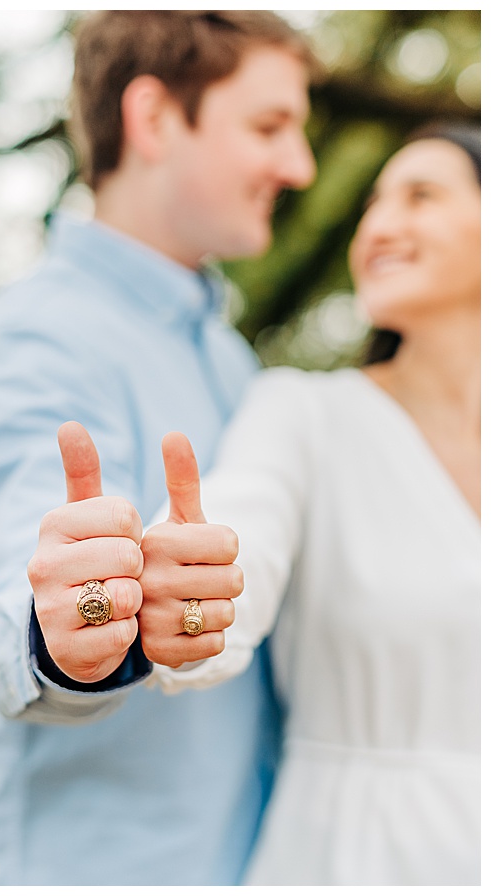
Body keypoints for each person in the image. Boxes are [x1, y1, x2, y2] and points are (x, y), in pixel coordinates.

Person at [0, 11, 316, 885]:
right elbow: (16, 590)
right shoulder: (32, 339)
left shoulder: (229, 356)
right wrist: (64, 640)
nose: (300, 166)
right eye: (270, 126)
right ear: (156, 118)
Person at [133, 122, 480, 884]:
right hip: (349, 856)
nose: (381, 226)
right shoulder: (304, 414)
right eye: (371, 206)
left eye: (420, 196)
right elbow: (239, 537)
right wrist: (190, 595)